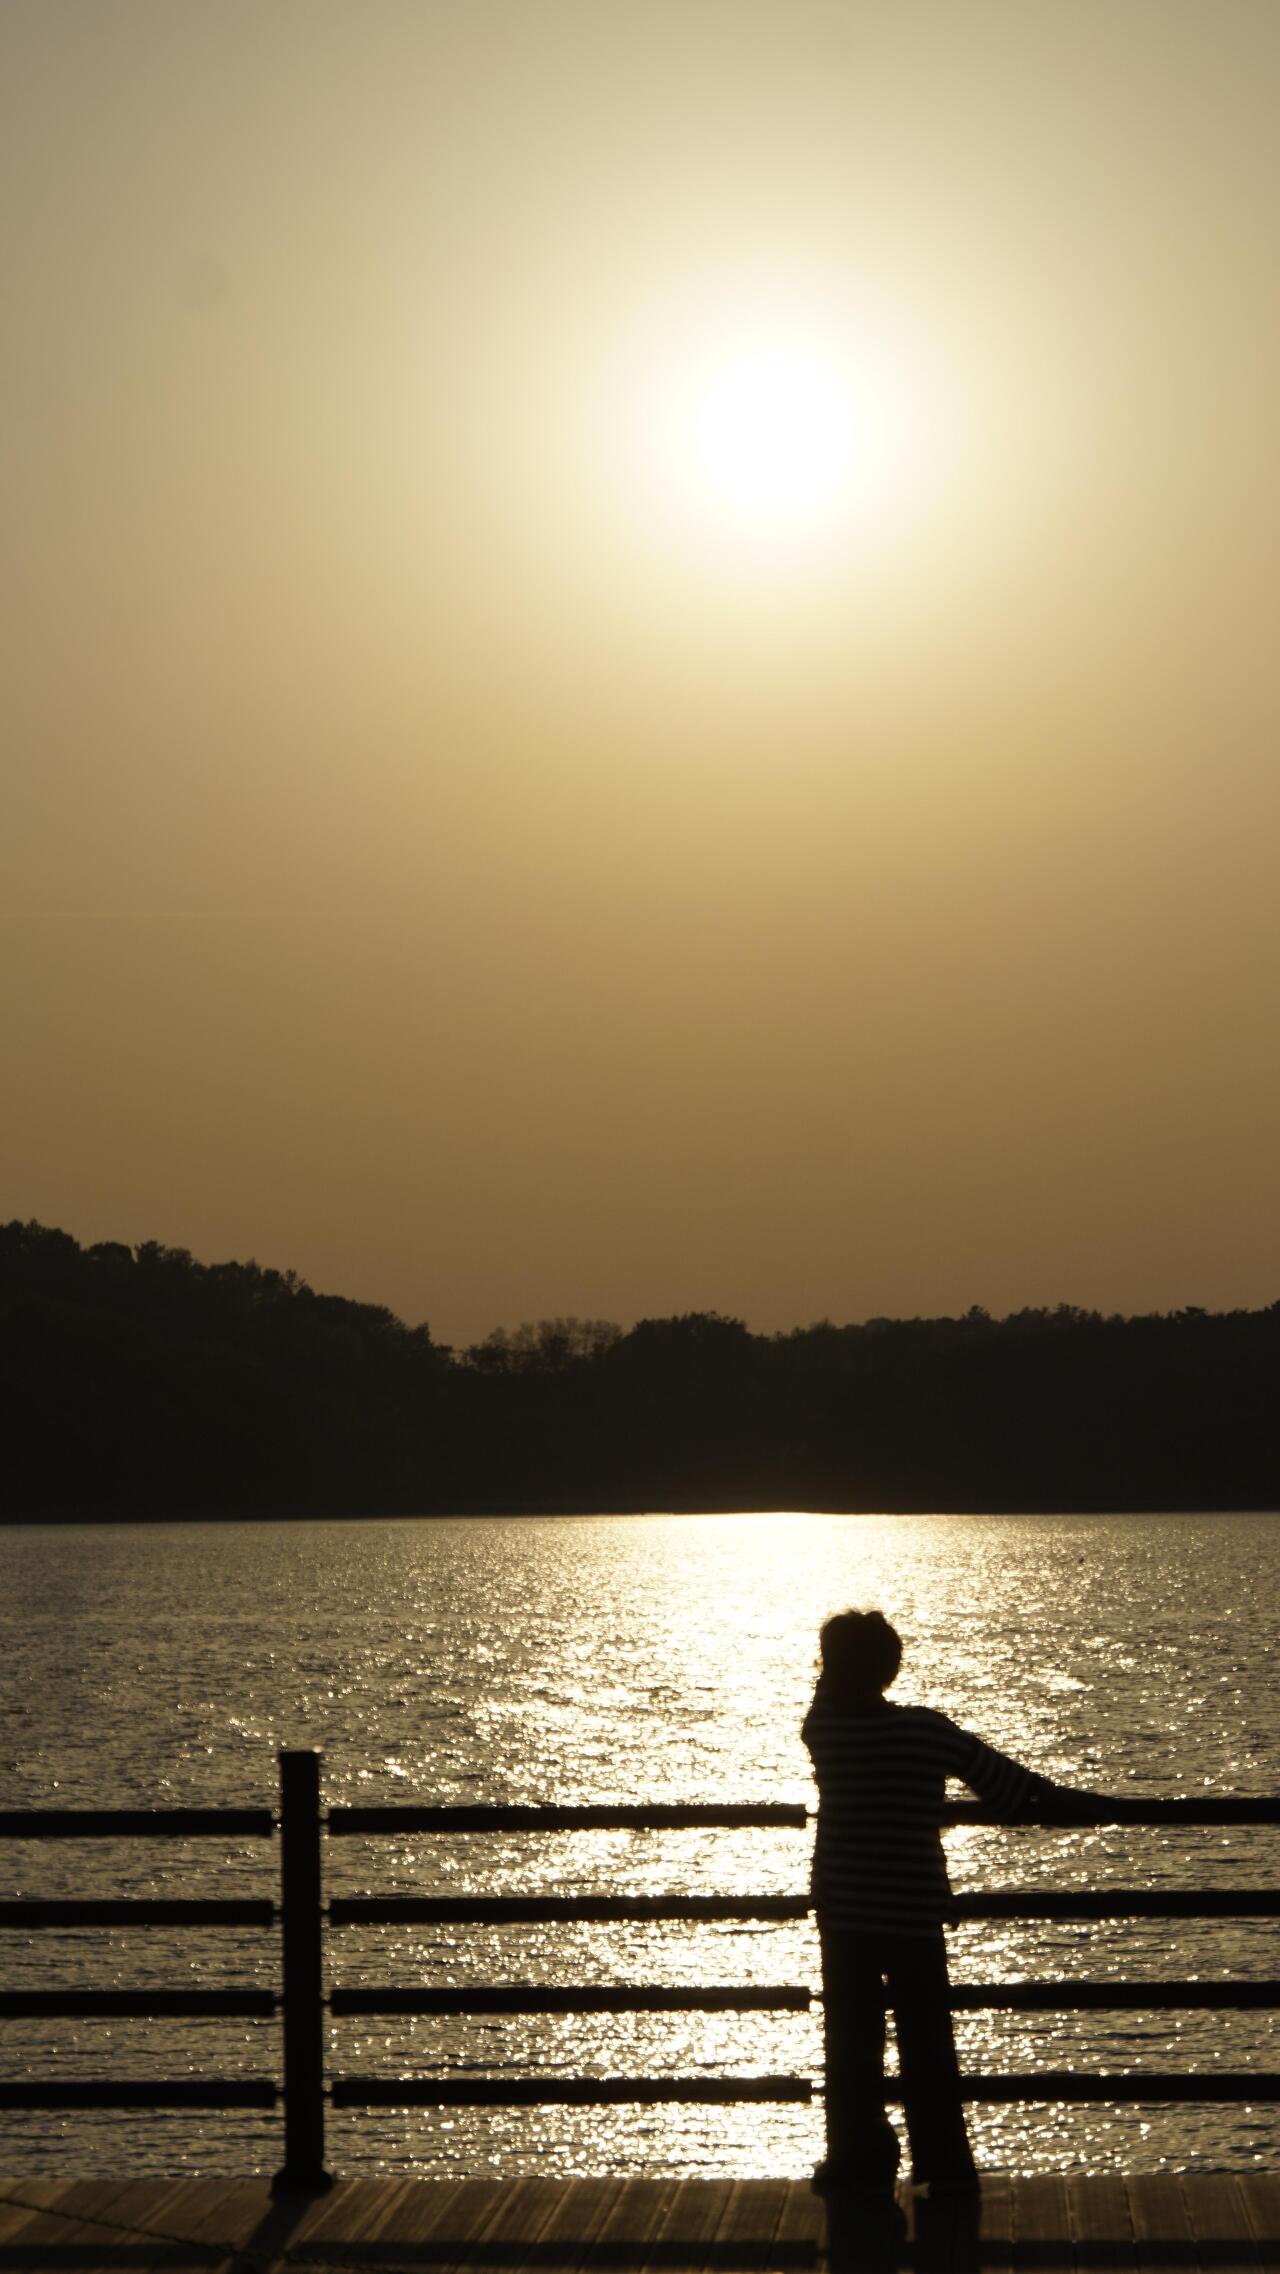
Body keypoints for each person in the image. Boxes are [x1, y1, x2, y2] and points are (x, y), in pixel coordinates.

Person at [803, 1607, 1098, 2200]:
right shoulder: (928, 1731)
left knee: (851, 2043)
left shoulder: (824, 1732)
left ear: (832, 1669)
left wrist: (833, 1670)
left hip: (847, 1912)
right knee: (928, 2043)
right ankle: (943, 2164)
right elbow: (1010, 1786)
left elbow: (824, 1697)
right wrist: (1087, 1804)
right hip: (914, 1910)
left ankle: (859, 2158)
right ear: (890, 1668)